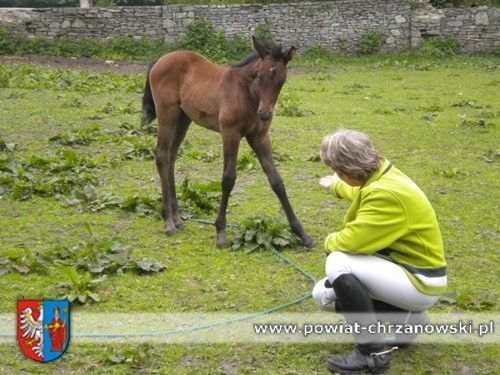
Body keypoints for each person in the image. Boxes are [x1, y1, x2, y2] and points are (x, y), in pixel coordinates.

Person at [312, 129, 447, 374]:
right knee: (321, 294)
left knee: (338, 261)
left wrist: (328, 241)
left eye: (339, 172)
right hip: (412, 274)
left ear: (350, 170)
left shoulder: (386, 195)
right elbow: (359, 190)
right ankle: (409, 322)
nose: (339, 176)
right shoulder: (383, 173)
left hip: (419, 282)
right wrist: (335, 186)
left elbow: (351, 242)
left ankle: (371, 353)